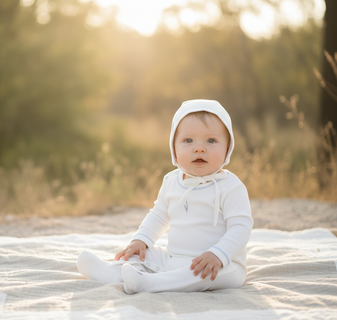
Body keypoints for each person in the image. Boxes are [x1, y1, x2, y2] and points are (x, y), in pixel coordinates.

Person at [76, 99, 253, 294]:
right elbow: (159, 216)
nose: (199, 148)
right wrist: (140, 241)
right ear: (174, 151)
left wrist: (218, 254)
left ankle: (151, 284)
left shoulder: (231, 186)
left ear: (228, 148)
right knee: (144, 255)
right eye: (188, 140)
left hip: (221, 265)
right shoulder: (171, 181)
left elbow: (241, 227)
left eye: (211, 140)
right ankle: (112, 273)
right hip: (174, 257)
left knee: (201, 275)